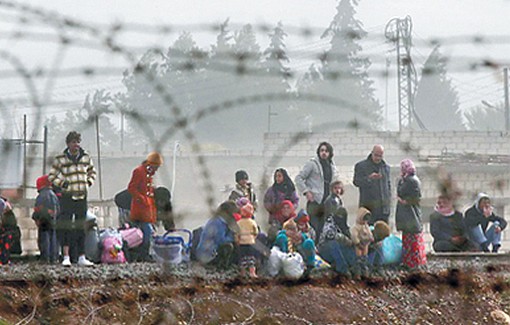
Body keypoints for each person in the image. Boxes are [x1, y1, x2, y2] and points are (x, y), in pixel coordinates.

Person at [48, 131, 96, 267]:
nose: (76, 145)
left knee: (81, 226)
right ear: (68, 144)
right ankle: (66, 256)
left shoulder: (86, 157)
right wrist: (63, 184)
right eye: (74, 142)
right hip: (68, 197)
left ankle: (82, 256)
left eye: (78, 142)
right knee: (67, 226)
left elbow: (92, 171)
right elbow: (52, 176)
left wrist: (88, 182)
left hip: (82, 196)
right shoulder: (61, 159)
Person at [295, 141, 338, 241]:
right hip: (315, 201)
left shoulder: (332, 166)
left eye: (326, 151)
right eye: (322, 150)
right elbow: (299, 178)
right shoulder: (312, 164)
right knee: (313, 228)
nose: (324, 153)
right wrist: (306, 192)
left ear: (330, 153)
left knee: (324, 228)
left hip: (327, 202)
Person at [127, 151, 164, 261]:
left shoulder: (149, 174)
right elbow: (131, 188)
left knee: (147, 232)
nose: (157, 170)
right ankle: (144, 255)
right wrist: (141, 198)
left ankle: (143, 254)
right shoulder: (139, 171)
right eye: (156, 167)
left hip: (147, 209)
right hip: (140, 209)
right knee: (146, 232)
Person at [395, 159, 427, 269]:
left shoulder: (410, 180)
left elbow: (406, 195)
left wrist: (404, 201)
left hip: (410, 215)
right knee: (409, 238)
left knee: (411, 239)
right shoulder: (407, 179)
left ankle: (413, 262)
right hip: (409, 214)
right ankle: (412, 262)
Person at [353, 144, 391, 225]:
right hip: (369, 208)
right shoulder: (361, 166)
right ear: (372, 153)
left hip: (383, 210)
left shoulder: (386, 168)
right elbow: (356, 182)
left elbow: (388, 186)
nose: (377, 158)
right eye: (376, 155)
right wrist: (369, 178)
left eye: (380, 156)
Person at [196, 201, 239, 269]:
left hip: (210, 250)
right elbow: (220, 240)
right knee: (228, 246)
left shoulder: (218, 220)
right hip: (208, 253)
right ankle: (220, 266)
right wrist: (232, 237)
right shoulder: (218, 223)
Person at [317, 205, 356, 274]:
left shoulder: (344, 226)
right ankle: (343, 269)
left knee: (352, 246)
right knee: (333, 243)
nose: (340, 218)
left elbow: (349, 238)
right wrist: (344, 239)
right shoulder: (329, 222)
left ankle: (353, 267)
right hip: (324, 249)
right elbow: (329, 235)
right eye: (339, 216)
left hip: (339, 250)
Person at [32, 175, 60, 263]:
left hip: (43, 220)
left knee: (44, 239)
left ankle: (45, 258)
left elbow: (38, 209)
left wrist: (36, 218)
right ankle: (54, 258)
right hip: (53, 220)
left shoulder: (41, 196)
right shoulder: (54, 195)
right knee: (53, 239)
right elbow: (58, 209)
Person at [237, 202, 259, 278]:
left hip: (242, 242)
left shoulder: (239, 223)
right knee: (251, 258)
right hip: (250, 242)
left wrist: (237, 240)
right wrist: (254, 237)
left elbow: (236, 233)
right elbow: (256, 231)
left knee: (243, 258)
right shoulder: (252, 222)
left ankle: (242, 272)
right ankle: (252, 272)